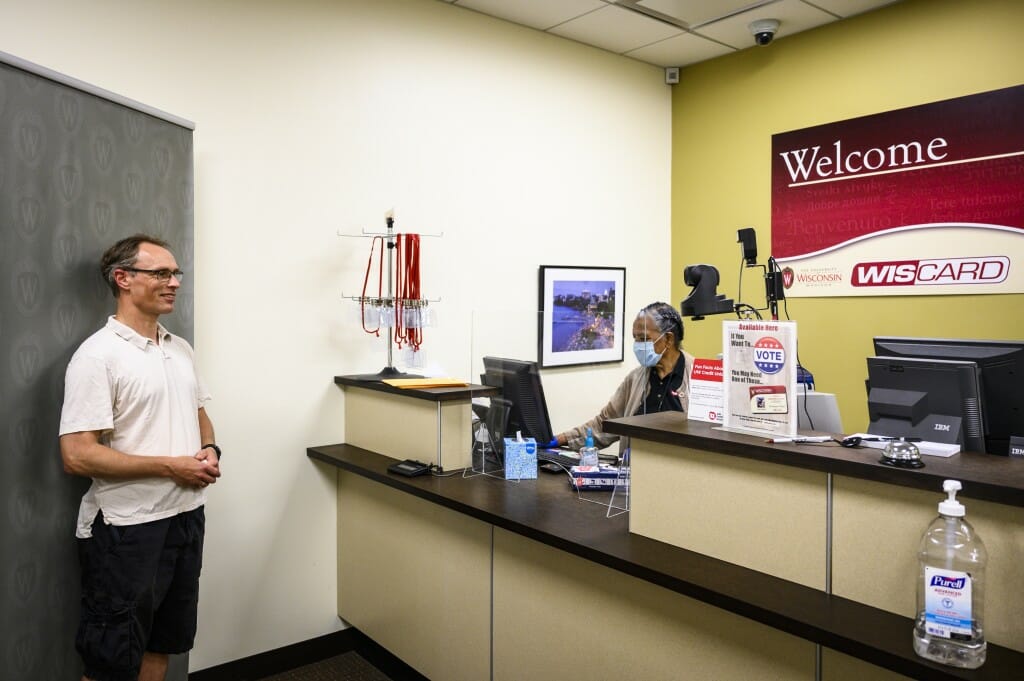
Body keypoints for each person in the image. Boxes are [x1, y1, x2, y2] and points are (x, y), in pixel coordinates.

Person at [59, 234, 220, 681]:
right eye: (161, 273)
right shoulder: (97, 356)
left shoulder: (180, 348)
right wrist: (170, 466)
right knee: (111, 658)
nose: (174, 282)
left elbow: (201, 417)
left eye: (176, 273)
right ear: (123, 278)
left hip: (186, 518)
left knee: (163, 642)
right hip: (127, 529)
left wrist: (209, 450)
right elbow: (76, 455)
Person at [553, 301, 693, 453]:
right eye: (635, 338)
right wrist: (559, 439)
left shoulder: (698, 377)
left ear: (668, 340)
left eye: (644, 338)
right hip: (636, 470)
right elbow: (603, 425)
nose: (638, 345)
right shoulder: (635, 379)